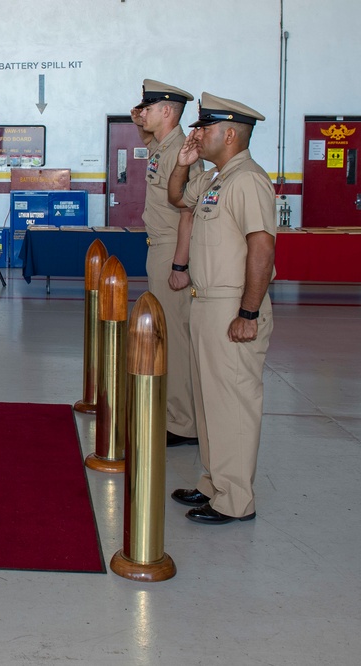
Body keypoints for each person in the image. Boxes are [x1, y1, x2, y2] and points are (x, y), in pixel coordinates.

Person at [167, 92, 275, 525]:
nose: (197, 133)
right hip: (207, 303)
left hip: (233, 306)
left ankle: (236, 500)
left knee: (232, 403)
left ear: (229, 134)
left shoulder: (247, 179)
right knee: (212, 401)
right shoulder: (217, 178)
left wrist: (248, 314)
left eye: (205, 127)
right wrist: (182, 161)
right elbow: (178, 199)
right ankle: (214, 483)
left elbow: (262, 246)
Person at [132, 80, 202, 447]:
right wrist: (137, 123)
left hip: (173, 248)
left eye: (149, 107)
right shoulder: (163, 147)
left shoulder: (182, 150)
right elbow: (148, 143)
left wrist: (179, 264)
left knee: (175, 337)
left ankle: (183, 423)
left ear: (168, 111)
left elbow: (189, 209)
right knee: (166, 334)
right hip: (159, 246)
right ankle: (177, 415)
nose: (142, 112)